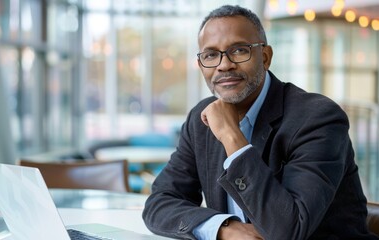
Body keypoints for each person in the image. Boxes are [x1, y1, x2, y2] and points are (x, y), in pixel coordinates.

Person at [142, 4, 379, 240]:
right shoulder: (200, 119)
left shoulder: (318, 118)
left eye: (239, 50)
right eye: (211, 55)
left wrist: (231, 136)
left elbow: (288, 231)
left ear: (265, 57)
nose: (224, 65)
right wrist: (223, 228)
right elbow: (159, 204)